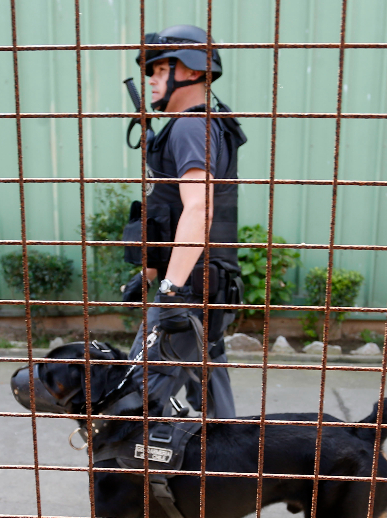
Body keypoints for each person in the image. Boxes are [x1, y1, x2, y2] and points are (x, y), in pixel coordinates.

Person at [120, 25, 247, 419]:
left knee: (134, 395)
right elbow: (169, 210)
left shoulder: (192, 126)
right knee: (210, 391)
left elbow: (198, 209)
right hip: (207, 285)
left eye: (160, 70)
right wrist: (152, 271)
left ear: (191, 71)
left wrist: (170, 291)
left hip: (191, 290)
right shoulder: (199, 124)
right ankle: (228, 472)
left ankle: (136, 479)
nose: (152, 79)